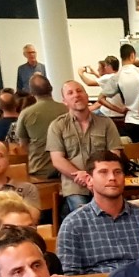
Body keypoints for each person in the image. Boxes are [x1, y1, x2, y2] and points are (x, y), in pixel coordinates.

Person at [55, 150, 139, 275]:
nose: (112, 178)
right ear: (89, 180)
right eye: (103, 172)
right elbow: (70, 275)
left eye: (117, 172)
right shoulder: (73, 224)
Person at [47, 79, 122, 211]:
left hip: (105, 183)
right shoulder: (57, 126)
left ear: (87, 96)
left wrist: (96, 178)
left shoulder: (106, 123)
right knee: (84, 216)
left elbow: (114, 154)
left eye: (79, 91)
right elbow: (57, 160)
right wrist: (83, 176)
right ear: (64, 101)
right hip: (75, 184)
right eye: (70, 93)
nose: (76, 95)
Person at [12, 74, 66, 191]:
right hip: (66, 171)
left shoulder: (26, 113)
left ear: (31, 92)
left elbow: (23, 146)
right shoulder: (67, 109)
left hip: (40, 171)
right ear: (51, 88)